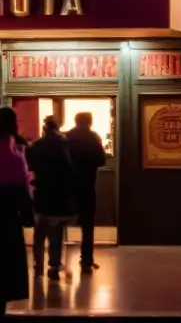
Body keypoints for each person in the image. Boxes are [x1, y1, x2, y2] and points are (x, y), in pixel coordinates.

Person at [26, 116, 77, 281]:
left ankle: (38, 266)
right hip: (61, 197)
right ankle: (54, 266)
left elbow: (30, 165)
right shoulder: (66, 144)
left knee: (39, 235)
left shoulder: (37, 145)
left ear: (44, 128)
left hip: (43, 195)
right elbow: (72, 170)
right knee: (57, 234)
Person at [0, 108, 32, 316]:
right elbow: (21, 188)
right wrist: (28, 215)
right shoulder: (14, 153)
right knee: (6, 268)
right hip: (7, 221)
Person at [66, 112, 107, 274]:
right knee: (88, 227)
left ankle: (56, 262)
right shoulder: (93, 138)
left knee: (60, 224)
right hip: (88, 187)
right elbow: (101, 160)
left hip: (69, 188)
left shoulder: (67, 137)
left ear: (76, 121)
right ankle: (87, 261)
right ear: (89, 122)